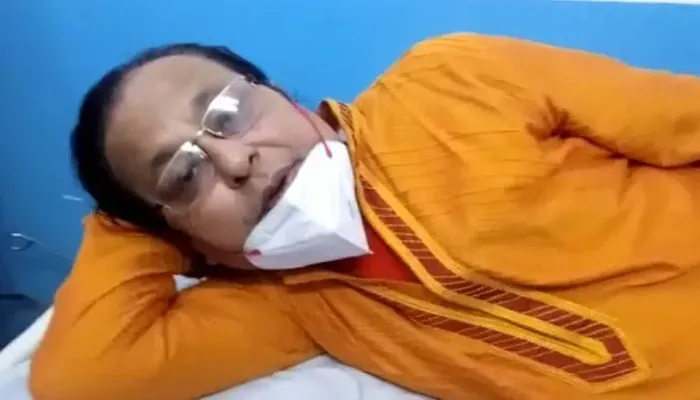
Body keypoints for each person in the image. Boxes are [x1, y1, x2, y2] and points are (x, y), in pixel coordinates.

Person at [30, 33, 700, 400]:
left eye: (229, 113)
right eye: (183, 174)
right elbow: (83, 380)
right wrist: (133, 225)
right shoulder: (287, 305)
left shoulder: (452, 81)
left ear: (283, 96)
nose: (234, 160)